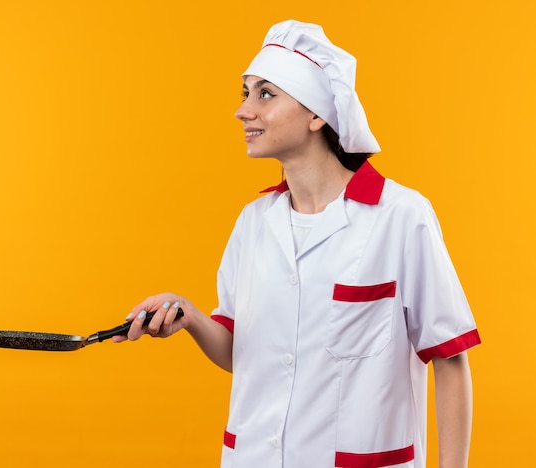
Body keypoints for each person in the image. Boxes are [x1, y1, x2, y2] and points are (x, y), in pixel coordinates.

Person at [113, 19, 481, 468]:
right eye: (245, 93)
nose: (244, 111)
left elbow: (450, 358)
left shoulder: (402, 217)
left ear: (316, 114)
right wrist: (188, 316)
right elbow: (240, 353)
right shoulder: (253, 223)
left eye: (265, 94)